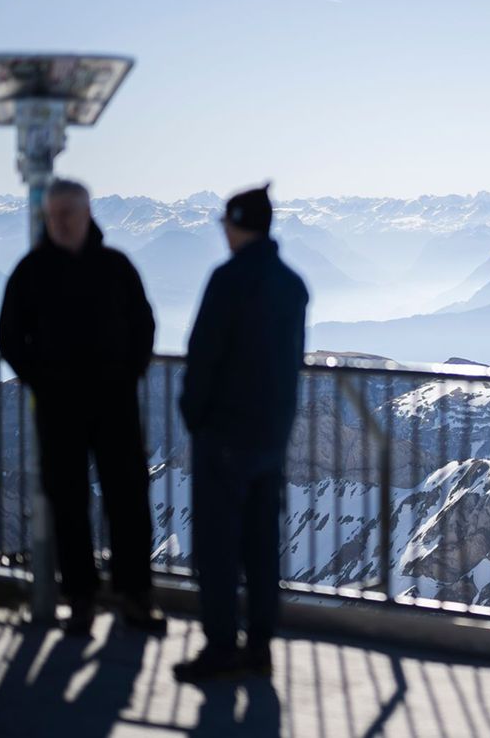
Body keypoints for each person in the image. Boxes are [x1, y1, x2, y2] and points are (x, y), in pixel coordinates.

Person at [0, 178, 165, 635]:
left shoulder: (116, 267)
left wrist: (128, 372)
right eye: (53, 216)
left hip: (115, 405)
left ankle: (135, 596)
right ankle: (82, 598)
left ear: (88, 213)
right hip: (59, 409)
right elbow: (10, 337)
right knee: (68, 503)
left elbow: (144, 324)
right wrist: (42, 381)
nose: (60, 222)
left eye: (67, 213)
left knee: (128, 499)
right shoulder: (31, 272)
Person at [173, 183, 309, 682]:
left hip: (224, 435)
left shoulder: (228, 280)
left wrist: (194, 415)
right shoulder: (293, 285)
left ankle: (220, 648)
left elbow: (203, 353)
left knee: (217, 546)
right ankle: (261, 645)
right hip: (270, 437)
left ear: (237, 224)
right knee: (259, 544)